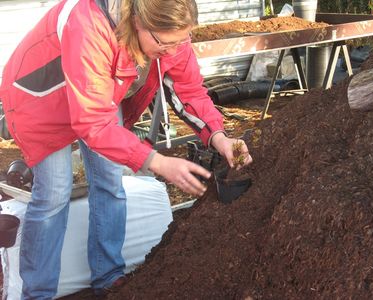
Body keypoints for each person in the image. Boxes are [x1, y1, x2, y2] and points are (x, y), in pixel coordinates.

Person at [0, 0, 253, 298]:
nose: (173, 51)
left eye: (182, 40)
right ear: (138, 23)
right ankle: (38, 293)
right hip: (43, 97)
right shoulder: (90, 24)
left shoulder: (168, 34)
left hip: (98, 91)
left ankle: (107, 276)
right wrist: (155, 161)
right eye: (165, 43)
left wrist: (219, 137)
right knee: (55, 192)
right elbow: (92, 123)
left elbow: (189, 91)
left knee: (109, 180)